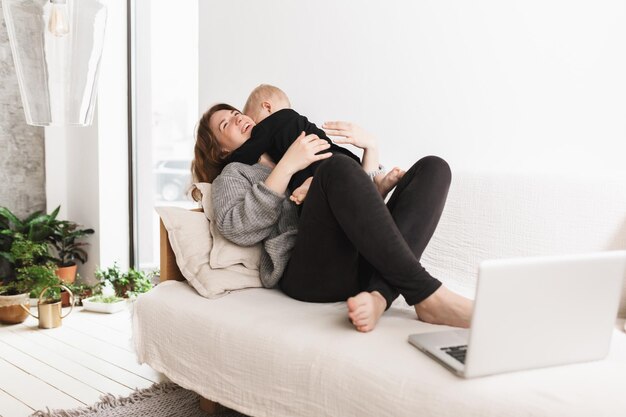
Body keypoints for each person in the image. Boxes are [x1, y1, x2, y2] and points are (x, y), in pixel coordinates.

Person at [192, 103, 473, 332]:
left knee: (433, 168)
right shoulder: (233, 174)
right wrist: (288, 167)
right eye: (226, 124)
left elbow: (354, 199)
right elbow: (238, 229)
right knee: (334, 168)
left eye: (236, 113)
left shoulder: (287, 141)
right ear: (221, 150)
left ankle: (379, 296)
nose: (238, 119)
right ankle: (426, 294)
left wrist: (370, 151)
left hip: (362, 259)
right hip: (309, 275)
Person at [229, 84, 403, 202]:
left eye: (253, 120)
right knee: (352, 175)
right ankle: (376, 184)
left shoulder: (270, 123)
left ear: (267, 107)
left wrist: (228, 158)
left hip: (313, 162)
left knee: (305, 174)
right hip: (333, 151)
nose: (254, 128)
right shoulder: (295, 119)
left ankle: (311, 183)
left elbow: (248, 151)